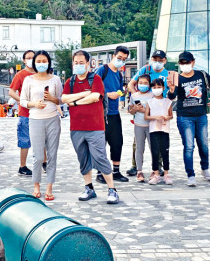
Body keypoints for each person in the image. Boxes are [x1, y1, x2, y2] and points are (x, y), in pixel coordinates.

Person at [61, 50, 119, 204]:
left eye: (81, 62)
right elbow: (63, 98)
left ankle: (112, 189)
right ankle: (89, 188)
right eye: (76, 62)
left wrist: (73, 103)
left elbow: (94, 97)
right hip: (76, 128)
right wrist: (82, 95)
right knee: (83, 158)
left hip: (95, 127)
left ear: (88, 63)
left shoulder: (96, 79)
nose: (78, 65)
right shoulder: (70, 82)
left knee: (100, 157)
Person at [167, 51, 210, 187]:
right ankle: (190, 174)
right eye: (182, 63)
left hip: (201, 115)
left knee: (204, 144)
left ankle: (205, 168)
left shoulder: (201, 74)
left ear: (193, 62)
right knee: (189, 146)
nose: (184, 65)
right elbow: (172, 97)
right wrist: (172, 89)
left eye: (187, 62)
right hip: (185, 117)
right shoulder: (178, 78)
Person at [20, 50, 62, 201]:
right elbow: (23, 100)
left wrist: (52, 98)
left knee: (52, 155)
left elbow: (61, 100)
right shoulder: (28, 80)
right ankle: (36, 185)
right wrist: (34, 104)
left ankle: (49, 187)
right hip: (35, 119)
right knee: (38, 156)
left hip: (52, 119)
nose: (41, 64)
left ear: (49, 62)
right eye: (39, 61)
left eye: (45, 61)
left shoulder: (55, 79)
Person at [126, 50, 169, 176]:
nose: (157, 62)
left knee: (157, 141)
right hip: (140, 118)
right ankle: (136, 166)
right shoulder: (146, 69)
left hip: (159, 111)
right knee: (138, 143)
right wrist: (136, 99)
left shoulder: (167, 74)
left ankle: (158, 167)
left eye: (160, 60)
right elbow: (131, 84)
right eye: (154, 59)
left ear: (164, 60)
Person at [98, 46, 130, 183]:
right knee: (101, 143)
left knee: (117, 142)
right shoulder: (103, 70)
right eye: (119, 58)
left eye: (124, 59)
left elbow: (118, 90)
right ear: (113, 56)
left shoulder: (119, 74)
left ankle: (116, 171)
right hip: (101, 113)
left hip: (114, 112)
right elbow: (93, 88)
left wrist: (121, 93)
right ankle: (100, 173)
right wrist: (106, 95)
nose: (121, 61)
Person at [9, 50, 35, 176]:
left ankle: (44, 163)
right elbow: (12, 91)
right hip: (25, 113)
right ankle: (22, 166)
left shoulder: (41, 73)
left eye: (33, 57)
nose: (31, 59)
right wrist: (23, 101)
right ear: (24, 60)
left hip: (41, 112)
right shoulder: (20, 75)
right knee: (24, 140)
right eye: (28, 58)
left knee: (43, 140)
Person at [144, 78, 173, 185]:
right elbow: (146, 116)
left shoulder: (167, 102)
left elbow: (171, 115)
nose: (157, 89)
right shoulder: (150, 102)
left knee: (165, 151)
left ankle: (166, 173)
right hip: (153, 129)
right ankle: (156, 173)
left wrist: (166, 117)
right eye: (154, 87)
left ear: (163, 88)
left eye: (159, 87)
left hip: (164, 129)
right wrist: (156, 117)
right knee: (155, 152)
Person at [127, 74, 153, 182]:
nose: (142, 85)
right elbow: (130, 111)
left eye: (145, 83)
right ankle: (139, 171)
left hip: (151, 125)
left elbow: (157, 111)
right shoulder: (134, 96)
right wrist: (135, 109)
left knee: (154, 148)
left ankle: (155, 170)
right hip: (138, 126)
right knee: (139, 148)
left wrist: (144, 111)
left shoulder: (153, 96)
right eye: (140, 83)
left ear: (149, 84)